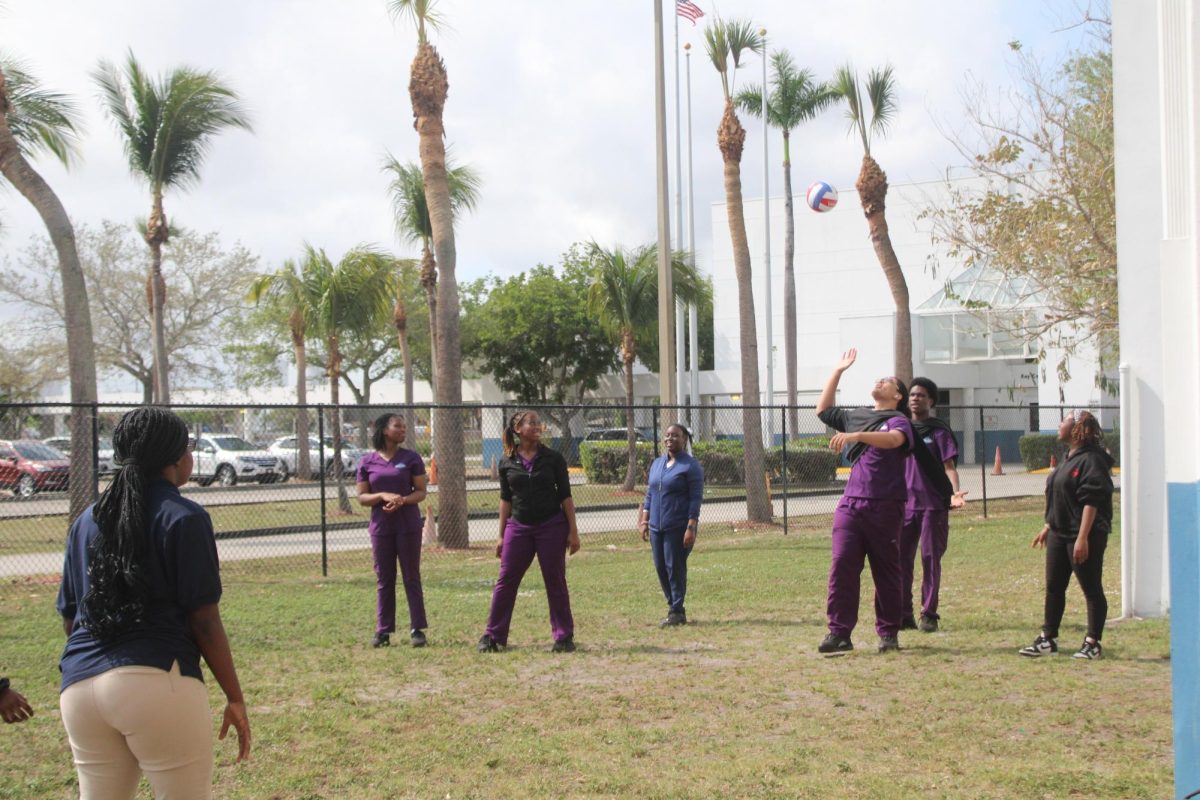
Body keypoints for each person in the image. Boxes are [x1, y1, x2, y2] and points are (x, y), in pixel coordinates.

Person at [56, 407, 250, 799]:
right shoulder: (183, 516)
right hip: (157, 679)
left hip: (79, 689)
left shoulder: (85, 521)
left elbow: (71, 615)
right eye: (189, 447)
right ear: (176, 458)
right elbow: (205, 622)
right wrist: (235, 697)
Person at [815, 348, 915, 654]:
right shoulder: (860, 415)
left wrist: (857, 436)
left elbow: (894, 441)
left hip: (885, 505)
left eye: (887, 382)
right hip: (851, 505)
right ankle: (839, 633)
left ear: (898, 396)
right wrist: (837, 371)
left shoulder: (898, 420)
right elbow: (823, 410)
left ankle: (888, 633)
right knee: (842, 565)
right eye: (878, 379)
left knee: (886, 570)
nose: (880, 382)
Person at [479, 410, 581, 653]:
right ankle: (493, 636)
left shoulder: (553, 458)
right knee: (506, 581)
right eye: (531, 423)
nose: (537, 426)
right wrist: (501, 535)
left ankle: (563, 636)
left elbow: (566, 497)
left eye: (539, 423)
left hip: (551, 526)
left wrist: (573, 532)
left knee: (555, 581)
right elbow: (505, 500)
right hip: (519, 527)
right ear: (518, 429)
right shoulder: (507, 462)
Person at [1020, 409, 1115, 660]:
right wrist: (1048, 526)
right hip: (1059, 533)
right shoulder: (1069, 457)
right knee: (1054, 587)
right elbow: (1062, 498)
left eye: (1063, 422)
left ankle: (1092, 643)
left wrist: (1083, 538)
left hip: (1084, 534)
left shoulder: (1092, 460)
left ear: (1076, 430)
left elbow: (1091, 501)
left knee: (1091, 588)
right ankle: (1047, 639)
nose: (1059, 425)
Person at [356, 413, 429, 648]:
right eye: (398, 426)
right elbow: (362, 497)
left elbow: (421, 492)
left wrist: (403, 500)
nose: (403, 430)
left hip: (408, 526)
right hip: (381, 528)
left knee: (411, 576)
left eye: (404, 426)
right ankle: (383, 630)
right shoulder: (367, 461)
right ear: (384, 430)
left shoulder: (411, 458)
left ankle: (417, 629)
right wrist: (380, 495)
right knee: (384, 578)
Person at [901, 377, 967, 633]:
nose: (915, 398)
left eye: (921, 395)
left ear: (931, 401)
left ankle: (928, 613)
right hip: (904, 506)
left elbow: (949, 467)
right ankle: (904, 613)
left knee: (930, 558)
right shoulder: (900, 429)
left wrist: (953, 494)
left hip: (933, 506)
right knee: (901, 560)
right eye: (912, 395)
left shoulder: (939, 431)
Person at [639, 423, 704, 626]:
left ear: (684, 439)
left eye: (675, 435)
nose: (669, 439)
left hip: (678, 527)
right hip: (657, 528)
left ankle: (677, 610)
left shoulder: (690, 466)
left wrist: (691, 526)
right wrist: (644, 520)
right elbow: (650, 493)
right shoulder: (657, 464)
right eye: (667, 435)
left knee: (674, 567)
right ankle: (673, 606)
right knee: (661, 567)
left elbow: (695, 499)